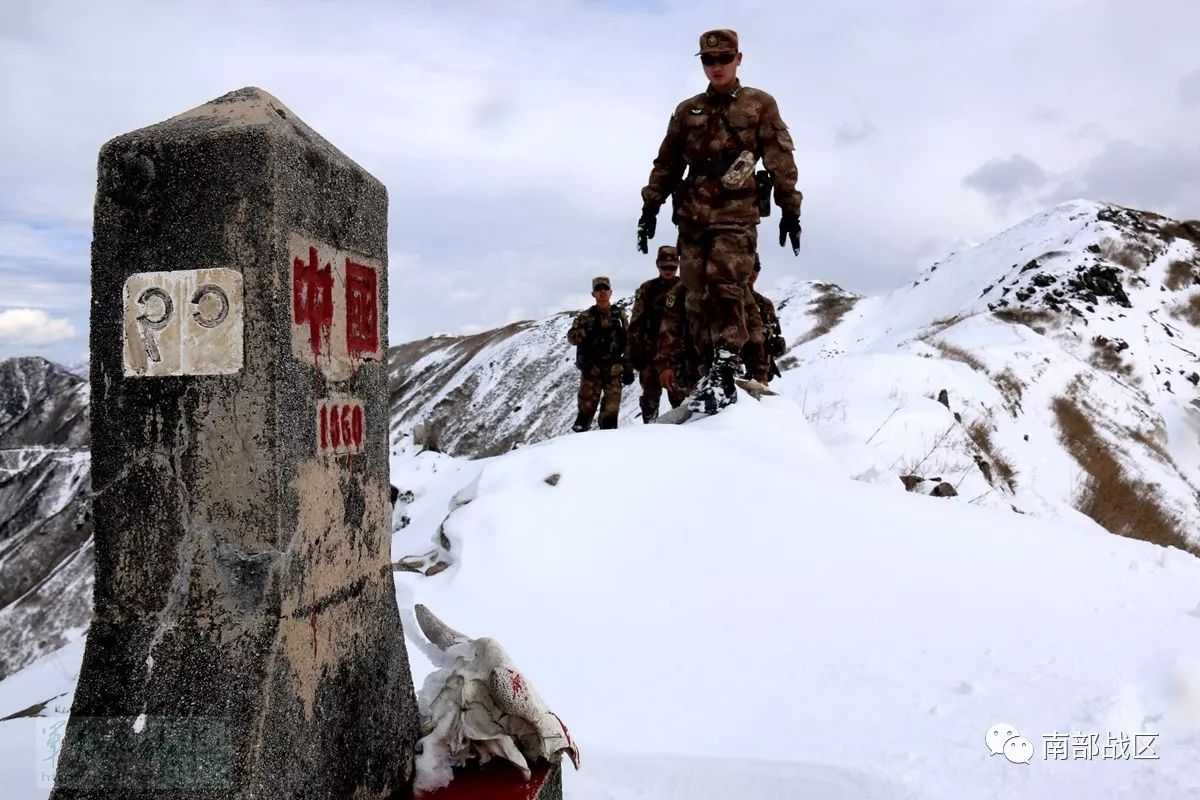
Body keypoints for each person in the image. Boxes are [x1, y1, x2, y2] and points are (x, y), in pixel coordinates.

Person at [636, 28, 802, 414]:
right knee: (695, 296)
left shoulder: (760, 104)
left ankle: (729, 363)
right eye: (709, 60)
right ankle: (707, 370)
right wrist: (650, 206)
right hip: (693, 216)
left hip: (736, 215)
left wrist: (790, 209)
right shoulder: (687, 110)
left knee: (727, 287)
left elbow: (780, 159)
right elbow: (668, 162)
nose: (716, 66)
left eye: (724, 58)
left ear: (738, 59)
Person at [627, 245, 687, 421]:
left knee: (680, 401)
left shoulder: (684, 288)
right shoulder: (647, 289)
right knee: (650, 401)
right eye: (664, 267)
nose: (668, 271)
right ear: (657, 265)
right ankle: (650, 435)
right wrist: (634, 353)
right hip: (650, 354)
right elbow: (635, 323)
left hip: (676, 355)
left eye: (672, 267)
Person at [567, 276, 635, 432]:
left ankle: (606, 450)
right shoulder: (585, 316)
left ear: (611, 292)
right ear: (593, 294)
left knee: (610, 417)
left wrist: (629, 367)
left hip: (614, 371)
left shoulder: (619, 315)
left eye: (605, 288)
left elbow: (628, 342)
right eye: (599, 289)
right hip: (592, 372)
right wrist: (584, 332)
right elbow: (572, 338)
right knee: (585, 414)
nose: (602, 292)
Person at [655, 282, 703, 401]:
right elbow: (668, 331)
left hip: (724, 366)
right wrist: (665, 365)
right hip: (688, 368)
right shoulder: (679, 292)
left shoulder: (726, 285)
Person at [745, 256, 785, 383]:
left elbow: (775, 336)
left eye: (757, 268)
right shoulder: (725, 298)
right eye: (751, 266)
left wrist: (776, 343)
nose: (754, 272)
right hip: (730, 369)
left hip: (759, 375)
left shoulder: (764, 304)